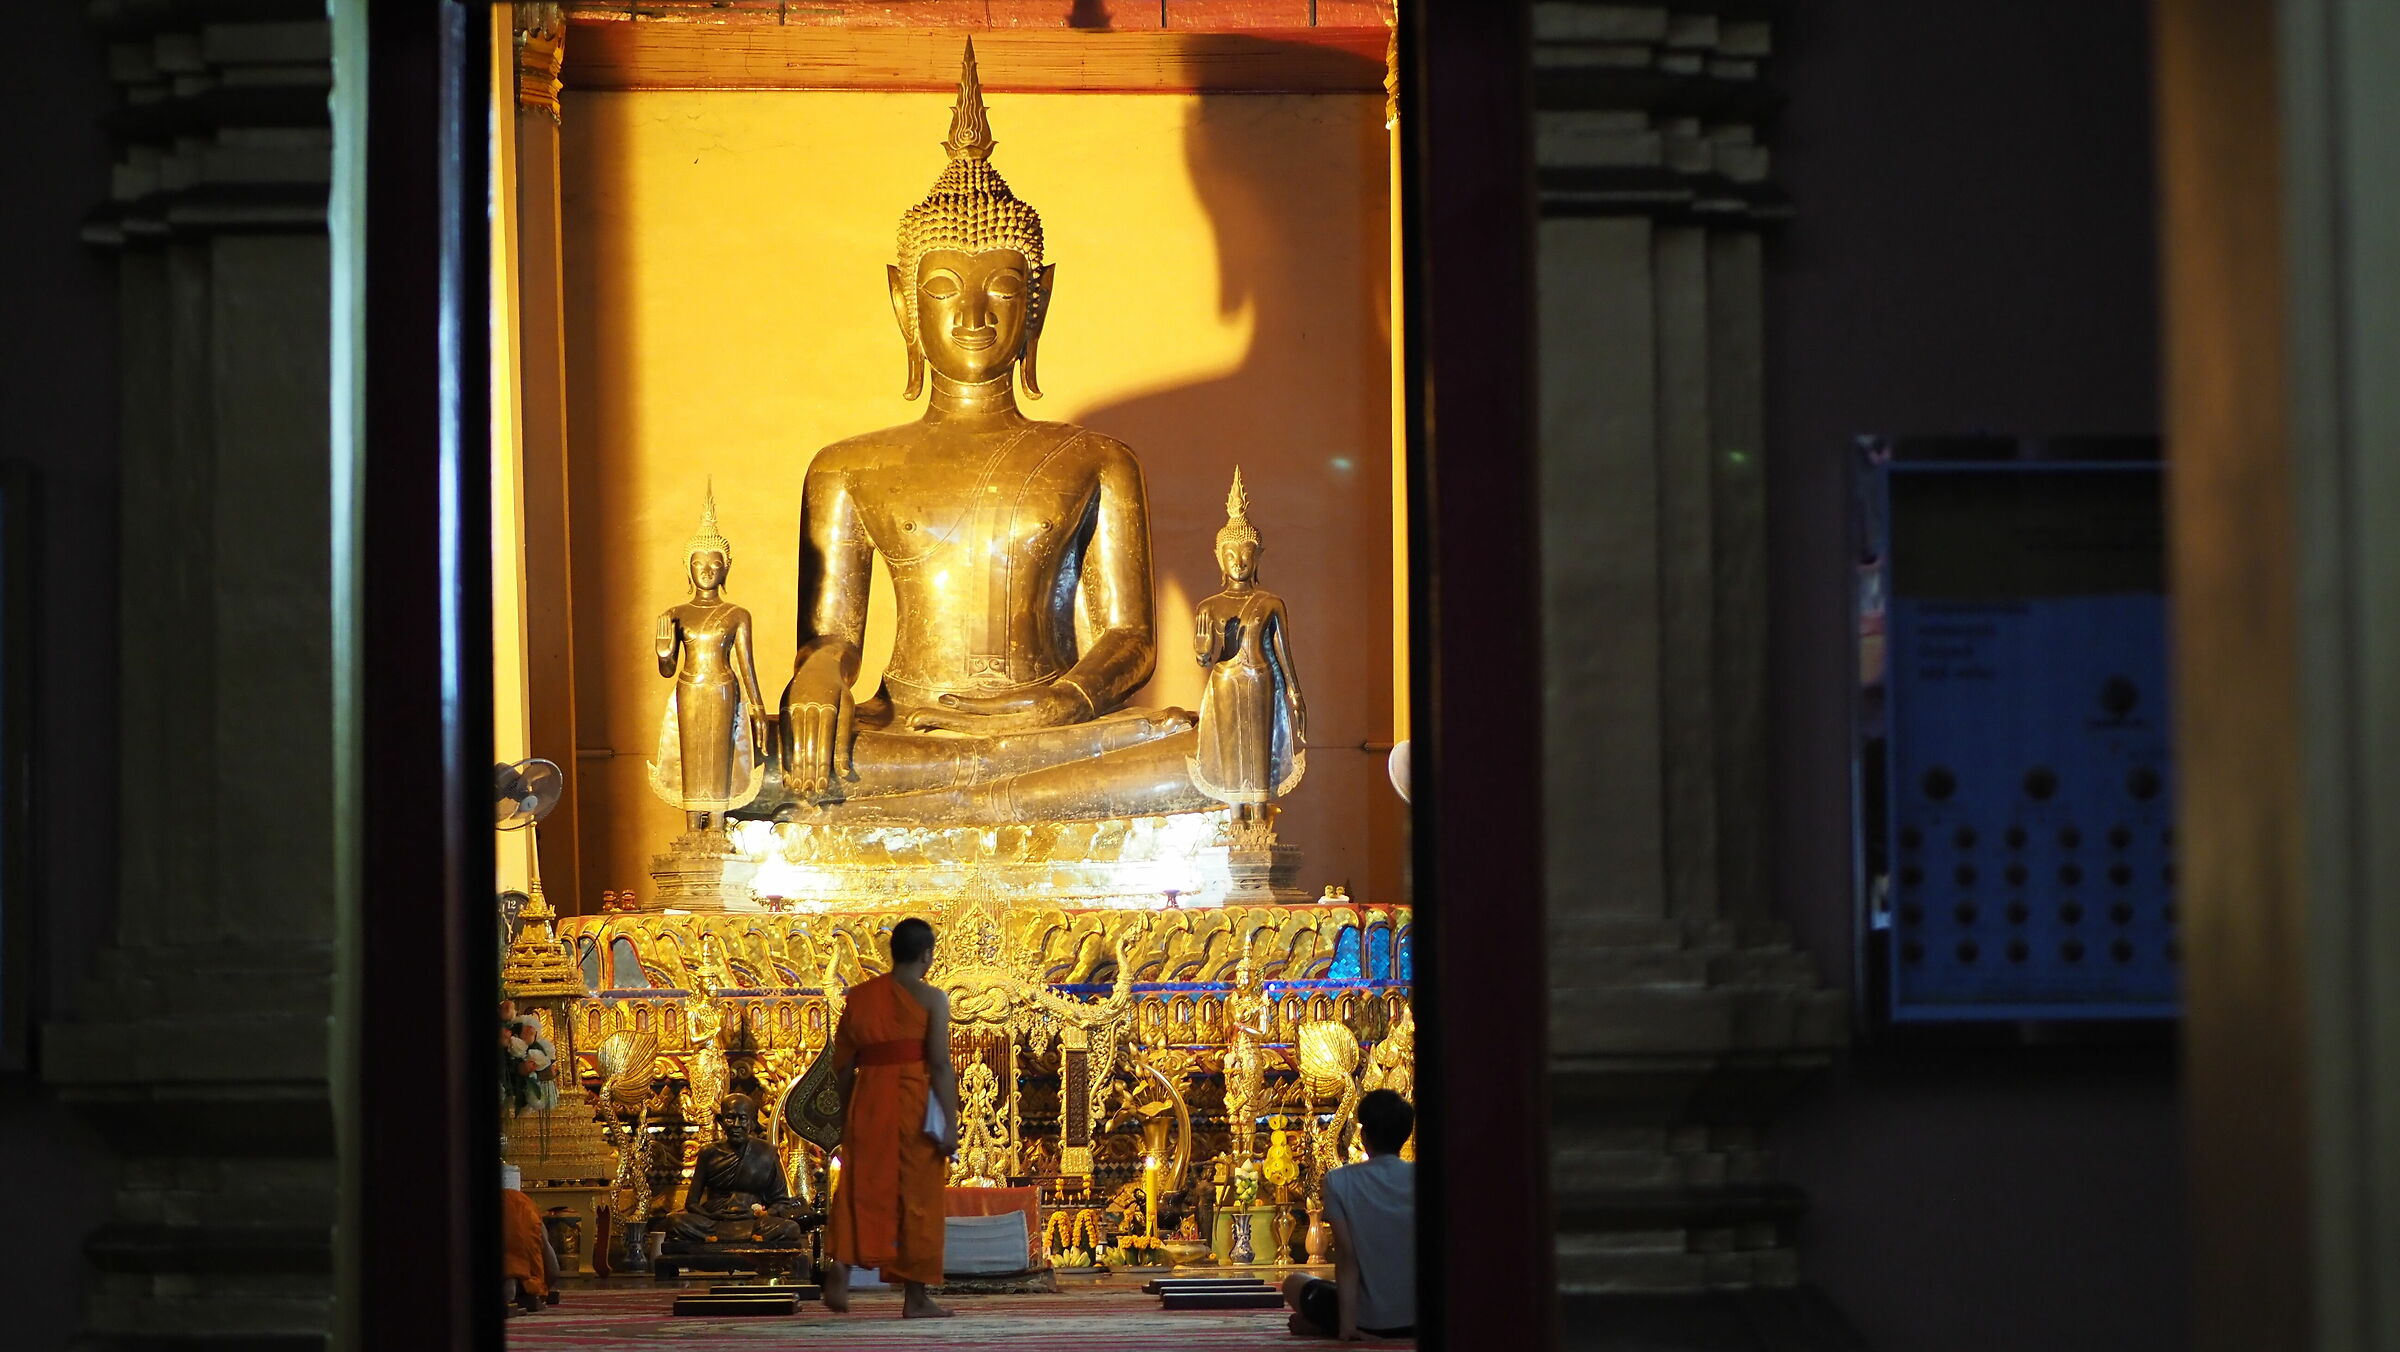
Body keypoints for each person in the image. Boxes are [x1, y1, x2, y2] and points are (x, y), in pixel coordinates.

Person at [823, 917, 960, 1319]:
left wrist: (848, 1113)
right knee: (918, 1197)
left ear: (893, 952)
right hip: (913, 1103)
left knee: (861, 1185)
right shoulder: (932, 999)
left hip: (869, 1099)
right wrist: (950, 1123)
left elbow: (842, 1064)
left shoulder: (860, 997)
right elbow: (939, 1063)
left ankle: (841, 1264)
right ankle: (915, 1297)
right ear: (927, 955)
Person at [1284, 1089, 1414, 1341]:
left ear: (1363, 1135)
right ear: (1405, 1135)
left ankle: (1327, 1326)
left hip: (1368, 1321)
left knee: (1293, 1282)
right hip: (1420, 1319)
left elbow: (1346, 1256)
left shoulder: (1339, 1180)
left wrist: (1347, 1328)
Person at [501, 1163, 562, 1316]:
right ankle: (518, 1284)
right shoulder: (525, 1204)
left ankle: (513, 1283)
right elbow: (553, 1272)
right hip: (527, 1278)